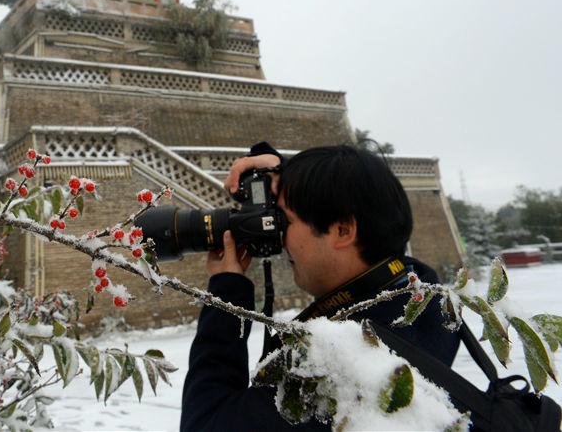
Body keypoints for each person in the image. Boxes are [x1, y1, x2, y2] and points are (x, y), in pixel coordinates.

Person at [180, 143, 461, 431]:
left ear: (343, 230)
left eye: (285, 220)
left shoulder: (338, 375)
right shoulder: (423, 301)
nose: (278, 236)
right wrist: (292, 175)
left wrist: (225, 295)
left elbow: (204, 425)